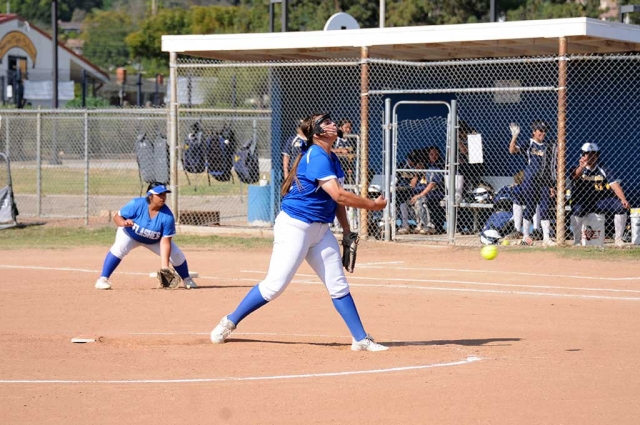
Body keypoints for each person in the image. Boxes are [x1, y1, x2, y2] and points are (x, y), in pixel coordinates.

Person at [210, 112, 389, 352]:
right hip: (295, 227)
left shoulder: (332, 158)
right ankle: (229, 321)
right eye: (327, 123)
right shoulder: (316, 155)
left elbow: (337, 202)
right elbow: (338, 194)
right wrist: (373, 205)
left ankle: (360, 338)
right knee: (274, 286)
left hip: (320, 231)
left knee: (338, 284)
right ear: (317, 134)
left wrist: (346, 231)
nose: (333, 123)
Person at [94, 182, 198, 290]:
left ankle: (187, 279)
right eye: (160, 195)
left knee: (176, 254)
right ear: (150, 196)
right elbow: (117, 217)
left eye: (164, 194)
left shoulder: (167, 216)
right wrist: (123, 223)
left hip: (154, 241)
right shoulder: (136, 204)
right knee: (119, 248)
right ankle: (102, 279)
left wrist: (165, 267)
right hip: (130, 234)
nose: (163, 197)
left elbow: (165, 242)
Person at [570, 142, 629, 246]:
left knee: (621, 207)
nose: (592, 156)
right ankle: (577, 241)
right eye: (588, 153)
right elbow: (574, 176)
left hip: (599, 201)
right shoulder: (577, 167)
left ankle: (618, 239)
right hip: (582, 201)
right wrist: (582, 167)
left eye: (594, 154)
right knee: (577, 210)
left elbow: (614, 185)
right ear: (582, 155)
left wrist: (623, 199)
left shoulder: (603, 168)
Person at [508, 120, 557, 246]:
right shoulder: (529, 143)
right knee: (530, 207)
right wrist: (514, 137)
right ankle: (526, 236)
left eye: (545, 131)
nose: (543, 133)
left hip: (544, 180)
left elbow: (551, 166)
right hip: (530, 180)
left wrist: (552, 185)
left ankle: (546, 238)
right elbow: (512, 151)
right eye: (540, 130)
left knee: (545, 207)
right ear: (534, 132)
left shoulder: (548, 146)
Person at [409, 146, 446, 235]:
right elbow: (412, 185)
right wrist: (417, 174)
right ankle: (419, 225)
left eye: (436, 154)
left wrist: (420, 195)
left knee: (420, 200)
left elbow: (432, 184)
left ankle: (429, 226)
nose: (434, 156)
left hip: (437, 193)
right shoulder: (426, 166)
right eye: (431, 154)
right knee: (406, 203)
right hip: (425, 194)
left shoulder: (439, 166)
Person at [332, 118, 356, 185]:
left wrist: (350, 167)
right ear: (340, 127)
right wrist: (340, 150)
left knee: (347, 183)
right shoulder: (335, 137)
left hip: (346, 165)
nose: (348, 130)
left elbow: (352, 153)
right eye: (346, 127)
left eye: (350, 128)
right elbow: (328, 148)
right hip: (335, 163)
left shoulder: (351, 140)